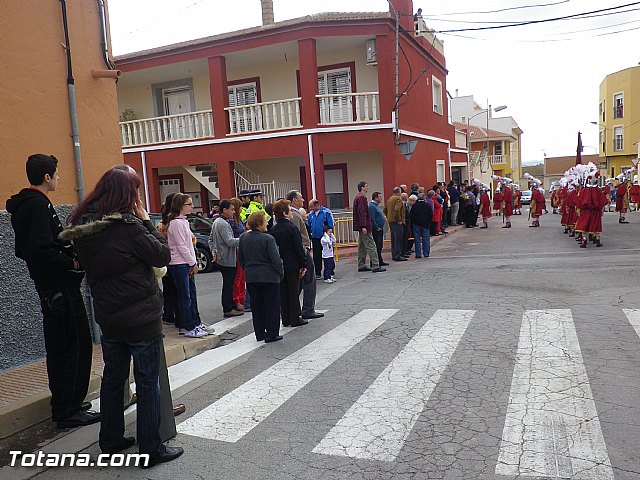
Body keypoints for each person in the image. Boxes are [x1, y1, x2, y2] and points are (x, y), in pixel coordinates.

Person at [61, 166, 183, 467]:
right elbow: (162, 255)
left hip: (108, 315)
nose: (139, 196)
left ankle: (111, 441)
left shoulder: (84, 226)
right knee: (147, 381)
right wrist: (146, 220)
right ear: (127, 194)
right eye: (136, 191)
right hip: (141, 316)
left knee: (113, 379)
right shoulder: (129, 226)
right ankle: (151, 449)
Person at [5, 154, 98, 429]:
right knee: (73, 348)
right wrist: (71, 262)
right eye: (56, 174)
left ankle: (69, 402)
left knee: (66, 347)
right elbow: (38, 249)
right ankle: (67, 409)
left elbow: (27, 249)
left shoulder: (28, 204)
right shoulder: (36, 205)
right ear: (46, 177)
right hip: (59, 288)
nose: (59, 178)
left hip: (54, 287)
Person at [238, 211, 284, 342]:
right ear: (259, 224)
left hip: (251, 276)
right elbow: (276, 259)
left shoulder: (243, 238)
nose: (267, 224)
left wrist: (247, 268)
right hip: (269, 276)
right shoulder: (268, 239)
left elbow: (241, 258)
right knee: (272, 306)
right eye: (265, 221)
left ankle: (259, 333)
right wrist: (280, 272)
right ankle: (272, 333)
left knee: (257, 306)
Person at [269, 199, 308, 327]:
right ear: (285, 213)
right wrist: (303, 263)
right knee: (293, 292)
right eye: (290, 210)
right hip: (292, 264)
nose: (292, 213)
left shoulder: (273, 229)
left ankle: (285, 318)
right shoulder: (292, 228)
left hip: (279, 265)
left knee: (283, 292)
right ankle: (295, 318)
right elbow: (298, 247)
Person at [287, 190, 323, 320]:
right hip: (302, 251)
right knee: (309, 280)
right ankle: (307, 309)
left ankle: (291, 308)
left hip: (299, 251)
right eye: (301, 198)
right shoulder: (295, 216)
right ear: (294, 200)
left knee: (300, 282)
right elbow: (296, 236)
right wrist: (303, 253)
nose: (303, 201)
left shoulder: (294, 215)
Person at [209, 199, 244, 317]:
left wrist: (214, 250)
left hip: (224, 257)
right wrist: (245, 238)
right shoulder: (223, 223)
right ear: (224, 210)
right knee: (228, 284)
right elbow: (229, 241)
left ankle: (232, 305)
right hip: (227, 258)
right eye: (232, 209)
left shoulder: (218, 221)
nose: (234, 212)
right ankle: (228, 308)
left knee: (229, 283)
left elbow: (211, 240)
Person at [353, 181, 385, 272]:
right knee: (371, 245)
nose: (367, 188)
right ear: (362, 188)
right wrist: (364, 226)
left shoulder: (357, 197)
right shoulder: (362, 198)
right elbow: (362, 213)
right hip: (365, 226)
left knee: (362, 246)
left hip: (361, 226)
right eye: (366, 186)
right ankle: (375, 265)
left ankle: (361, 264)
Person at [307, 199, 335, 280]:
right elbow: (309, 225)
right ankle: (318, 272)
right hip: (315, 238)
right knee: (316, 256)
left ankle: (330, 271)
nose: (310, 208)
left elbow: (331, 224)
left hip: (325, 238)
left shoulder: (326, 212)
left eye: (311, 206)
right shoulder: (311, 214)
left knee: (328, 255)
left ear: (316, 205)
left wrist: (329, 235)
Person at [229, 197, 247, 312]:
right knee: (238, 277)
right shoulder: (231, 222)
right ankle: (237, 300)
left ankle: (242, 298)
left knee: (242, 277)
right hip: (236, 250)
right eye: (239, 206)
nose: (241, 208)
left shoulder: (239, 220)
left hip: (242, 249)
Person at [384, 187, 406, 262]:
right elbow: (397, 210)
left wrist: (388, 216)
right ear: (398, 192)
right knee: (398, 239)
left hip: (391, 221)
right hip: (396, 221)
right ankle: (397, 255)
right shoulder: (398, 199)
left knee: (393, 239)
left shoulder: (389, 199)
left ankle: (394, 254)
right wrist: (399, 219)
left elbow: (385, 209)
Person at [409, 193, 433, 258]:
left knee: (417, 239)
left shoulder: (414, 206)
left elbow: (411, 215)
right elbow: (431, 215)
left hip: (416, 224)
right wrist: (428, 221)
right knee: (426, 239)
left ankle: (418, 254)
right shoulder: (427, 206)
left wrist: (413, 222)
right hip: (425, 224)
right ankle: (426, 253)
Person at [369, 191, 388, 267]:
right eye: (380, 197)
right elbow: (372, 218)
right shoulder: (372, 206)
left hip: (380, 228)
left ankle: (380, 260)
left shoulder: (376, 206)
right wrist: (376, 227)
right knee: (376, 246)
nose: (381, 199)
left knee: (380, 246)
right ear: (376, 198)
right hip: (376, 229)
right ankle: (374, 262)